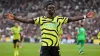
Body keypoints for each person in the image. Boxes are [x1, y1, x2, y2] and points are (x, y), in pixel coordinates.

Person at [7, 1, 95, 56]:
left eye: (53, 8)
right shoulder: (41, 19)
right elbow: (28, 20)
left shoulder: (59, 19)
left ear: (55, 9)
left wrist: (85, 16)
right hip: (45, 46)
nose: (52, 9)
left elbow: (71, 19)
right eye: (50, 7)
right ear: (46, 9)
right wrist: (15, 18)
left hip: (55, 47)